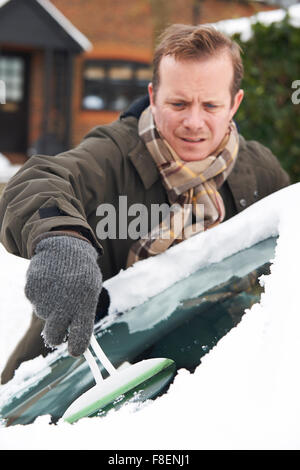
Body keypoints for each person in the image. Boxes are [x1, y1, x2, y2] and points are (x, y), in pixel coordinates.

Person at [0, 24, 290, 384]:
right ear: (153, 96)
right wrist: (61, 235)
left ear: (235, 103)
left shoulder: (262, 173)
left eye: (211, 105)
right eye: (178, 103)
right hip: (77, 382)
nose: (193, 122)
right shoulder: (114, 153)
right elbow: (38, 180)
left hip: (211, 386)